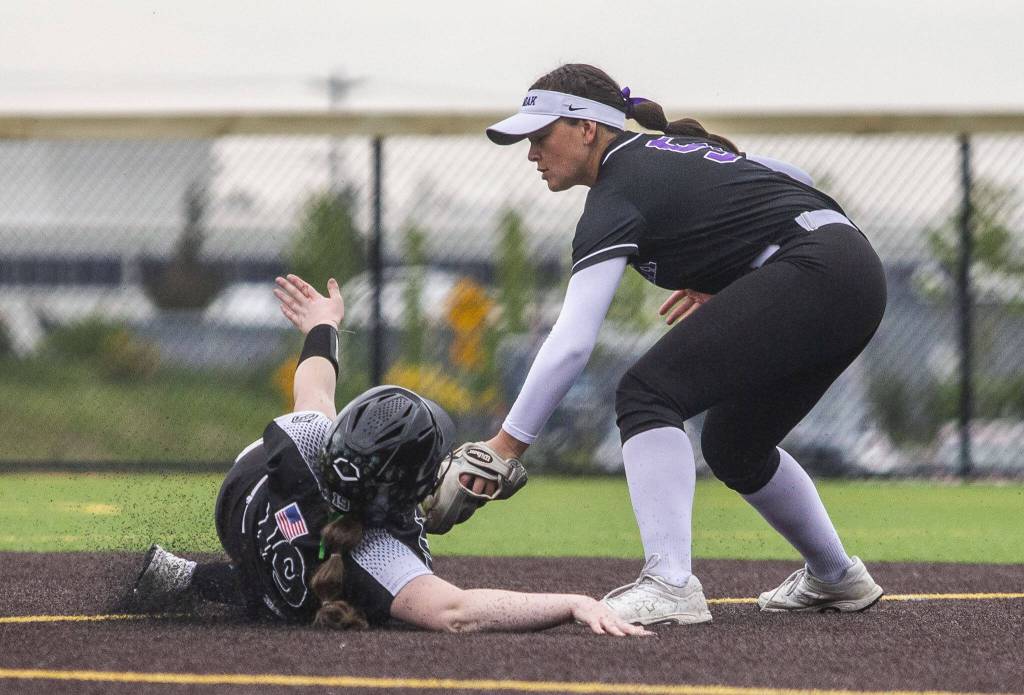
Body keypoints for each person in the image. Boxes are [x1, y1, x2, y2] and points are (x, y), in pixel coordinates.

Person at [446, 63, 886, 625]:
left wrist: (506, 446)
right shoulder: (665, 158)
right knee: (734, 444)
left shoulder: (618, 188)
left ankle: (671, 582)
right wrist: (750, 262)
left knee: (647, 394)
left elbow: (573, 341)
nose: (531, 151)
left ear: (588, 129)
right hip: (853, 273)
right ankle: (836, 576)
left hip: (818, 271)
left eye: (541, 134)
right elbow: (788, 180)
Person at [131, 273, 650, 637]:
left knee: (305, 463)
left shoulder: (309, 440)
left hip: (244, 506)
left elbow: (314, 388)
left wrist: (323, 325)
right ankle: (231, 584)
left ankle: (193, 580)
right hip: (304, 576)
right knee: (354, 593)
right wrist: (575, 603)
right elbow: (457, 611)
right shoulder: (378, 555)